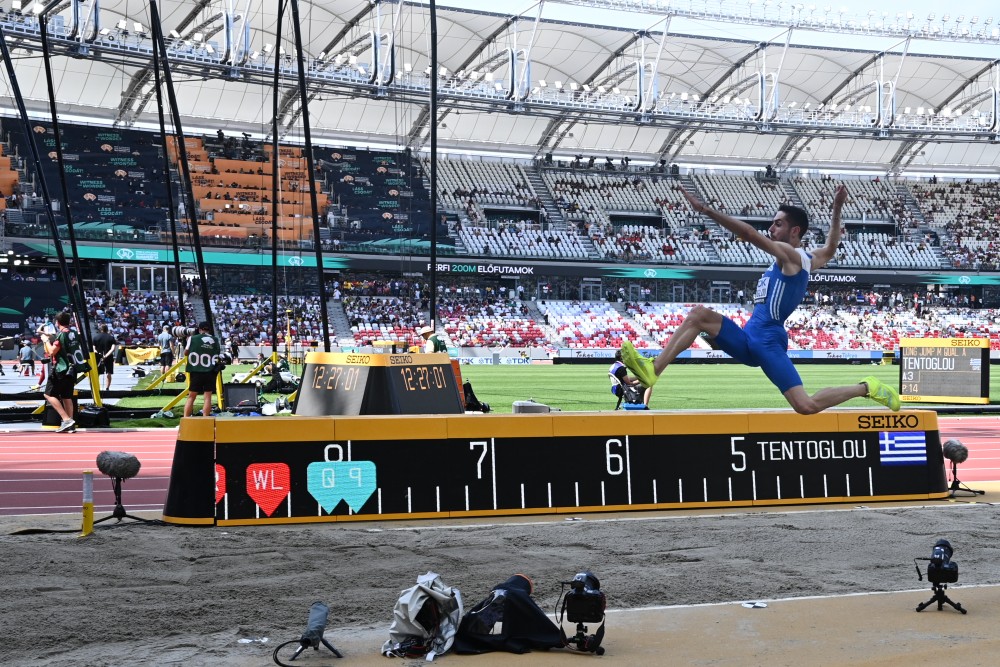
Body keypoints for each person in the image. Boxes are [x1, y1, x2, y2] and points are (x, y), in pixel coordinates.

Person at [619, 183, 900, 415]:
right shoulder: (807, 259)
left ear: (795, 231)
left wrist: (704, 210)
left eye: (777, 224)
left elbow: (749, 233)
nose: (771, 229)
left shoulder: (792, 257)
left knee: (806, 405)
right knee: (698, 315)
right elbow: (831, 247)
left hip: (766, 341)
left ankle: (867, 386)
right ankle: (652, 370)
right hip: (749, 335)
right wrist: (837, 208)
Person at [41, 312, 84, 433]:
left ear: (57, 322)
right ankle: (70, 423)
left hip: (61, 368)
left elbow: (51, 352)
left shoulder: (61, 335)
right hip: (72, 368)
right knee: (66, 396)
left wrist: (45, 341)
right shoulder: (74, 333)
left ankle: (66, 419)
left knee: (48, 395)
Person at [183, 321, 222, 418]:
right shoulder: (215, 340)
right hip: (210, 371)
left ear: (199, 329)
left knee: (191, 397)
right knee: (208, 397)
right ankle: (205, 419)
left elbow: (186, 353)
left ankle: (186, 419)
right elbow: (217, 354)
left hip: (196, 370)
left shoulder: (192, 338)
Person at [92, 324, 118, 392]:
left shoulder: (95, 337)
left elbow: (94, 349)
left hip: (98, 357)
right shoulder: (111, 338)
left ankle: (97, 388)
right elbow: (113, 349)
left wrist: (99, 354)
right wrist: (105, 356)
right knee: (108, 372)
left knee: (97, 373)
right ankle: (107, 388)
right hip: (108, 357)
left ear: (100, 330)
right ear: (107, 329)